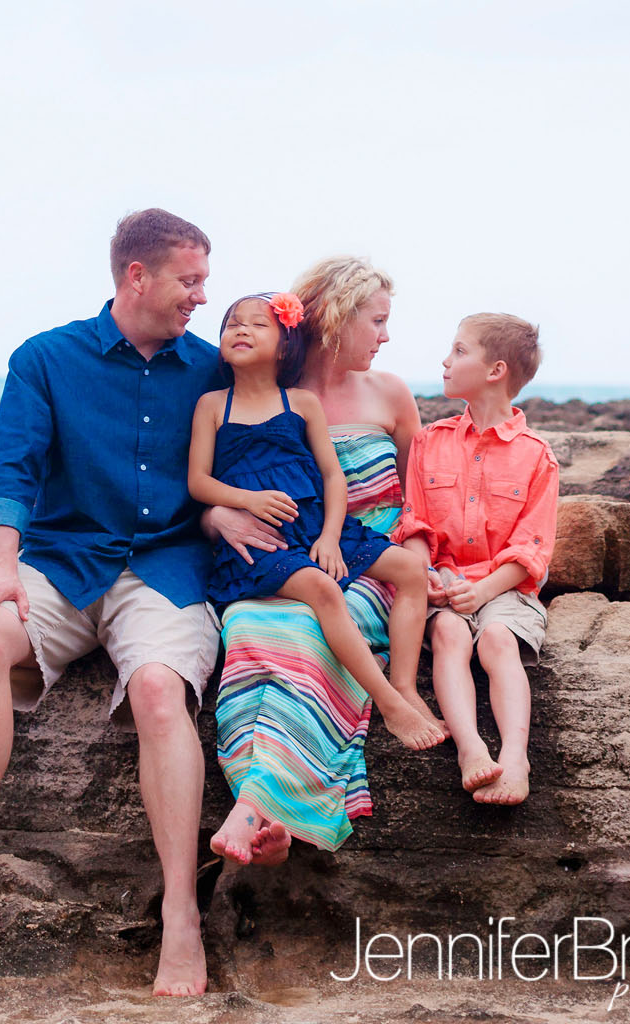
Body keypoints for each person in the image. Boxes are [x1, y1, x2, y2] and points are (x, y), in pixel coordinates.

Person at [0, 208, 229, 998]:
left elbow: (251, 454)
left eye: (204, 281)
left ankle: (181, 912)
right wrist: (1, 568)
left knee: (156, 691)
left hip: (166, 569)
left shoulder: (211, 371)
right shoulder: (45, 358)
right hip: (63, 558)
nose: (201, 298)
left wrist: (226, 512)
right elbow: (13, 468)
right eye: (191, 280)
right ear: (136, 276)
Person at [204, 256, 420, 865]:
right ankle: (266, 818)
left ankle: (259, 806)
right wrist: (214, 515)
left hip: (364, 562)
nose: (385, 336)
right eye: (376, 321)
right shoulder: (262, 388)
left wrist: (428, 568)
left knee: (304, 631)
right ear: (334, 318)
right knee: (247, 630)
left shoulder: (391, 393)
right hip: (276, 559)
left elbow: (421, 502)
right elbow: (208, 479)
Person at [185, 294, 444, 770]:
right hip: (265, 541)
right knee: (323, 590)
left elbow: (331, 475)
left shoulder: (300, 402)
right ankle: (389, 706)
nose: (241, 330)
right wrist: (246, 501)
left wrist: (328, 537)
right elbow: (197, 481)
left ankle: (405, 684)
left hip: (317, 524)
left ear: (286, 345)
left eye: (256, 324)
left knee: (409, 568)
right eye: (232, 325)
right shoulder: (211, 405)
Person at [396, 314, 557, 806]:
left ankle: (514, 757)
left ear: (496, 370)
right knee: (447, 633)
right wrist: (423, 574)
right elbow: (414, 521)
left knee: (498, 640)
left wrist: (484, 591)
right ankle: (470, 749)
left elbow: (533, 548)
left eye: (460, 351)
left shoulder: (537, 455)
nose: (446, 360)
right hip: (444, 580)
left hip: (504, 589)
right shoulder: (430, 442)